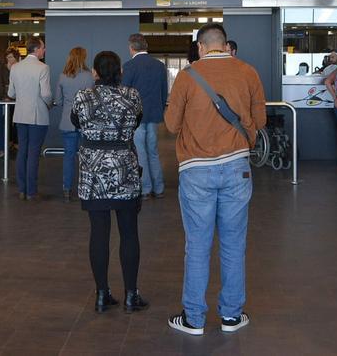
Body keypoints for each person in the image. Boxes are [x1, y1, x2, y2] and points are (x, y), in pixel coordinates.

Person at [165, 22, 265, 336]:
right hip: (237, 166)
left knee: (197, 245)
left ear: (201, 47)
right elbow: (260, 120)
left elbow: (170, 125)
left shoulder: (186, 75)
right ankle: (232, 317)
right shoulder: (248, 71)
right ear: (224, 45)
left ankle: (194, 319)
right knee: (234, 245)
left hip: (195, 168)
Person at [72, 51, 149, 314]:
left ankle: (102, 294)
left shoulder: (83, 97)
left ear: (95, 72)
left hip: (93, 173)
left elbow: (76, 122)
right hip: (124, 169)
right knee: (129, 232)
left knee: (99, 233)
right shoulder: (132, 96)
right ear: (120, 72)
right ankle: (131, 294)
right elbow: (136, 122)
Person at [122, 33, 169, 199]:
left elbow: (124, 93)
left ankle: (146, 189)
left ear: (131, 47)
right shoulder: (159, 66)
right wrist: (161, 108)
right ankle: (159, 187)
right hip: (154, 114)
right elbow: (164, 92)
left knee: (140, 152)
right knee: (153, 151)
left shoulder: (129, 66)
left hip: (137, 116)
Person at [9, 37, 52, 200]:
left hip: (20, 115)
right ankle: (32, 191)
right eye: (43, 48)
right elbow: (46, 94)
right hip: (37, 115)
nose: (44, 50)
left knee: (22, 152)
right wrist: (49, 104)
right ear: (36, 49)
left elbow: (11, 93)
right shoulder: (43, 68)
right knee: (34, 153)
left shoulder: (15, 67)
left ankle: (22, 189)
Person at [54, 47, 94, 201]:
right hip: (85, 121)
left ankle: (67, 189)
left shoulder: (63, 77)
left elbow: (58, 100)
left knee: (69, 157)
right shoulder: (89, 77)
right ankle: (87, 187)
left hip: (67, 121)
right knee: (87, 157)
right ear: (83, 58)